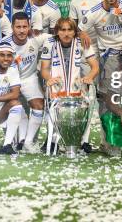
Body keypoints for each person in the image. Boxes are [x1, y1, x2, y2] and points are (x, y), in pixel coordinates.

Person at [78, 0, 122, 152]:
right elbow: (79, 28)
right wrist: (81, 33)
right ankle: (109, 141)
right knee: (109, 101)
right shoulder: (93, 12)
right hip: (109, 60)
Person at [40, 18, 99, 154]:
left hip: (76, 84)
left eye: (69, 30)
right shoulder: (49, 43)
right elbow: (44, 68)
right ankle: (52, 139)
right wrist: (48, 79)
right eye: (62, 30)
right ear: (57, 32)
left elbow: (95, 66)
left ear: (74, 32)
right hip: (57, 83)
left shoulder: (82, 42)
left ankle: (84, 140)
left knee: (84, 104)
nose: (66, 33)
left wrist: (89, 77)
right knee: (53, 102)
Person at [0, 12, 49, 153]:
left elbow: (60, 36)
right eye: (18, 27)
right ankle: (11, 139)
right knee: (11, 107)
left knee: (38, 105)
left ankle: (28, 142)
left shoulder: (36, 39)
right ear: (12, 27)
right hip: (9, 80)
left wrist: (81, 34)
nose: (21, 30)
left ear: (29, 27)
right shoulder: (4, 43)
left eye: (24, 26)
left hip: (28, 78)